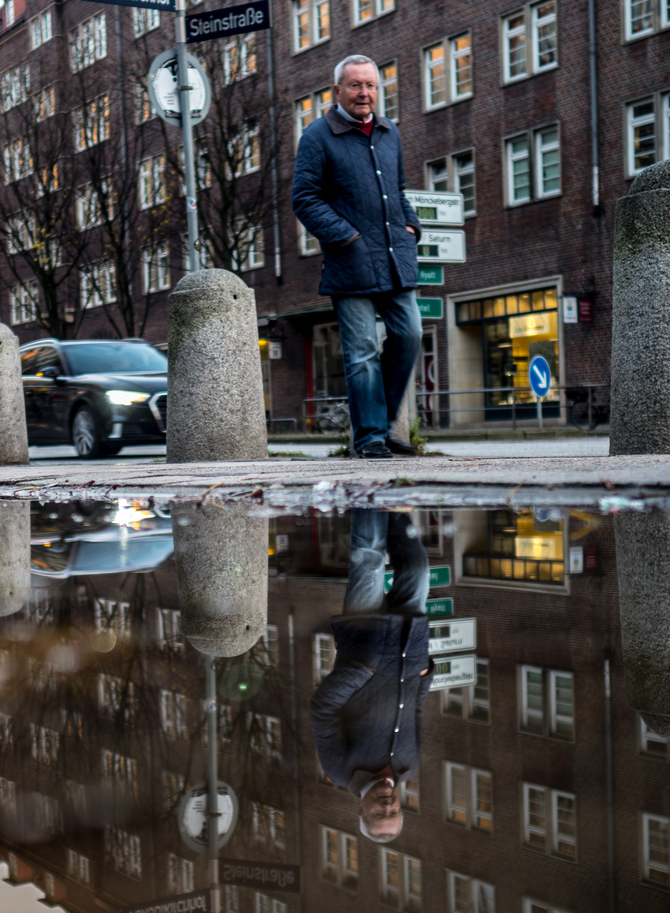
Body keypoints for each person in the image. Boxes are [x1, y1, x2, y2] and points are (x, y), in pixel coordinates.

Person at [292, 54, 424, 459]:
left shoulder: (389, 132)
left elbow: (398, 190)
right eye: (355, 85)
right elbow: (304, 199)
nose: (364, 93)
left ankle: (382, 428)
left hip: (394, 257)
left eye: (370, 85)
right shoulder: (317, 136)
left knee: (410, 335)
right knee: (363, 349)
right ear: (337, 91)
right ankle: (369, 438)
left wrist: (412, 226)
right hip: (350, 262)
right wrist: (346, 237)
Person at [309, 509, 433, 843]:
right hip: (409, 644)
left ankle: (367, 490)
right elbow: (414, 710)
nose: (388, 806)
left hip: (366, 639)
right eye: (394, 813)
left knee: (370, 559)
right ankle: (395, 502)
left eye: (380, 814)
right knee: (418, 567)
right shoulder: (410, 767)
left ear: (362, 810)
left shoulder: (339, 770)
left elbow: (322, 710)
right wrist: (425, 675)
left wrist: (360, 671)